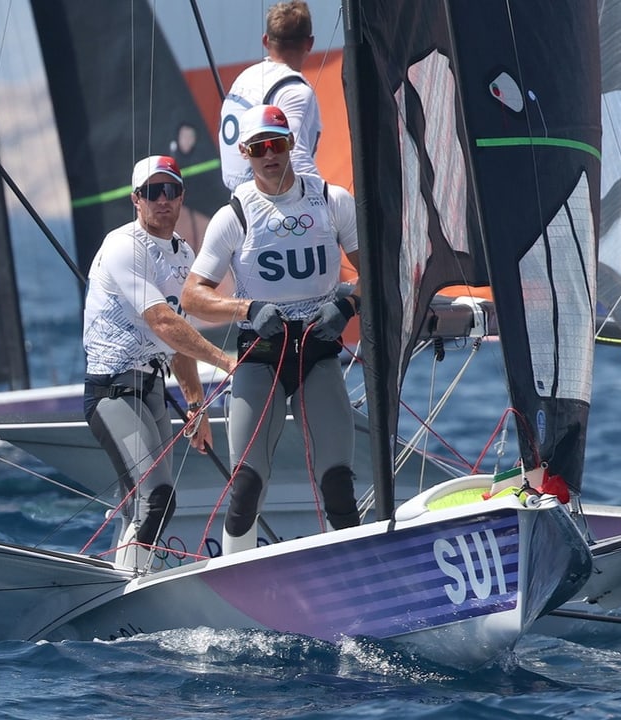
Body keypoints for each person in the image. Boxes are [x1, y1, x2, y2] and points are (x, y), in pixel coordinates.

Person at [182, 104, 361, 554]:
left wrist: (347, 303)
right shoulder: (235, 215)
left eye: (277, 144)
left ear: (290, 146)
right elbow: (191, 295)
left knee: (338, 481)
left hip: (318, 353)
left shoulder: (332, 200)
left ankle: (360, 569)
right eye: (259, 148)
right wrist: (247, 308)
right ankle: (234, 580)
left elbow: (379, 273)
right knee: (245, 485)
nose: (269, 155)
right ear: (245, 153)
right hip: (261, 355)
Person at [83, 154, 236, 569]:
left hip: (151, 390)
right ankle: (129, 587)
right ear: (137, 200)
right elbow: (163, 322)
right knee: (158, 498)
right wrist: (226, 361)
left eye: (171, 191)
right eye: (153, 192)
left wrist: (197, 406)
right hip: (112, 391)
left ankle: (122, 572)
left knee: (146, 503)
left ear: (182, 196)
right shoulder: (123, 247)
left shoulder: (183, 254)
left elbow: (178, 341)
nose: (163, 200)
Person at [218, 0, 322, 190]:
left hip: (239, 199)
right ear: (310, 43)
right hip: (270, 203)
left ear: (265, 41)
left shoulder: (244, 78)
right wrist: (324, 205)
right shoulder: (295, 92)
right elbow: (297, 159)